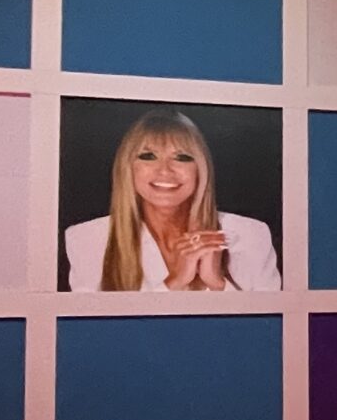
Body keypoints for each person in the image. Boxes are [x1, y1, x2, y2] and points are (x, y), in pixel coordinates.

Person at [64, 109, 281, 292]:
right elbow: (98, 328)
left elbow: (272, 324)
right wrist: (174, 282)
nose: (165, 171)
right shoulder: (86, 239)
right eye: (148, 156)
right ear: (128, 167)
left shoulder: (251, 235)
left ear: (200, 169)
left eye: (182, 157)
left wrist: (218, 283)